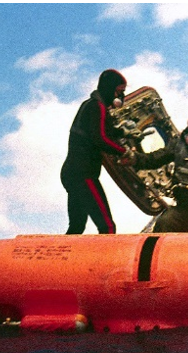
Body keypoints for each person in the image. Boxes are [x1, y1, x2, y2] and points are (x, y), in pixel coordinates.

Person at [62, 69, 129, 234]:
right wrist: (124, 152)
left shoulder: (90, 105)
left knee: (77, 226)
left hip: (72, 173)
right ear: (110, 89)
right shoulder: (97, 107)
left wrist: (122, 132)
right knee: (107, 227)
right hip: (83, 176)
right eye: (119, 91)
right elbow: (100, 138)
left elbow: (102, 132)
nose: (120, 96)